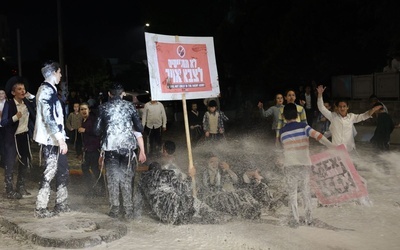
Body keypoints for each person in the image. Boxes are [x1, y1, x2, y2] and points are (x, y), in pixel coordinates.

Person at [94, 83, 144, 220]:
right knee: (127, 179)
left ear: (109, 94)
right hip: (127, 148)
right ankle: (128, 211)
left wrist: (108, 128)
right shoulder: (130, 107)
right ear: (123, 94)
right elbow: (140, 128)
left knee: (113, 179)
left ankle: (115, 209)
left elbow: (96, 130)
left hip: (111, 148)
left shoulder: (103, 107)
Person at [279, 103, 334, 228]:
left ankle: (295, 220)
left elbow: (283, 148)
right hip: (304, 164)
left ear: (284, 116)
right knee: (305, 191)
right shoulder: (304, 126)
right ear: (297, 114)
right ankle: (309, 219)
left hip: (290, 165)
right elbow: (319, 136)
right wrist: (333, 147)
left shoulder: (282, 131)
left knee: (292, 193)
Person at [33, 60, 70, 218]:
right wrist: (60, 140)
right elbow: (49, 118)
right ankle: (40, 207)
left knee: (62, 170)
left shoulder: (50, 90)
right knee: (49, 171)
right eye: (60, 72)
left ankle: (61, 203)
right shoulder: (46, 91)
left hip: (55, 139)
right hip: (51, 140)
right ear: (54, 72)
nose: (61, 75)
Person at [317, 85, 382, 154]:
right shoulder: (333, 116)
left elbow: (364, 116)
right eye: (340, 107)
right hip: (336, 150)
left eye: (344, 106)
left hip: (349, 150)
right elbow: (321, 108)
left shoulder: (351, 117)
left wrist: (373, 110)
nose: (342, 108)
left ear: (347, 107)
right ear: (337, 108)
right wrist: (320, 95)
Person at [1, 76, 36, 199]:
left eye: (24, 89)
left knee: (25, 163)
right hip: (12, 138)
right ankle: (9, 189)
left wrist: (31, 96)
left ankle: (20, 187)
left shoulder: (27, 103)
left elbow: (36, 110)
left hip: (24, 137)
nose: (22, 91)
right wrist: (15, 117)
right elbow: (3, 122)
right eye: (19, 89)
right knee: (10, 164)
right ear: (13, 92)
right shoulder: (9, 104)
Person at [199, 155, 261, 219]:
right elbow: (206, 186)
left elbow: (235, 180)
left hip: (222, 195)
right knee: (230, 195)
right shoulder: (204, 173)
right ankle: (245, 209)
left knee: (242, 192)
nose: (215, 163)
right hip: (211, 197)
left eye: (216, 161)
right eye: (212, 162)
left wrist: (228, 169)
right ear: (207, 163)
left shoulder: (220, 172)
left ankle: (254, 205)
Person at [77, 102, 104, 196]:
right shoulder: (83, 120)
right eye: (82, 109)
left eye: (85, 109)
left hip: (94, 149)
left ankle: (100, 189)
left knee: (94, 169)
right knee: (86, 168)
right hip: (87, 149)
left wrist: (85, 130)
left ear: (89, 110)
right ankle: (92, 188)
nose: (84, 111)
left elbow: (98, 132)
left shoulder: (92, 120)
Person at [0, 89, 6, 168]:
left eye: (2, 93)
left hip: (5, 127)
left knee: (4, 145)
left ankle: (3, 161)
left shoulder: (8, 104)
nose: (1, 95)